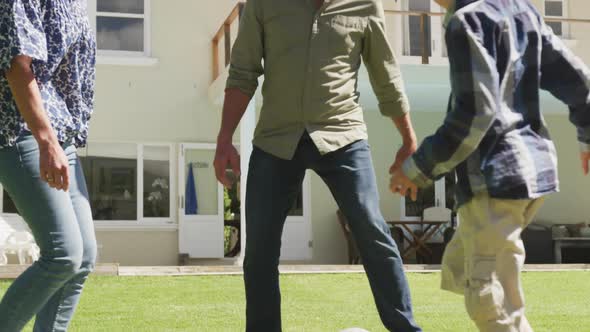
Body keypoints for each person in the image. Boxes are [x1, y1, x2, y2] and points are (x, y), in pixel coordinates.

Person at [214, 0, 422, 331]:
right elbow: (243, 71)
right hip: (275, 139)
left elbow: (386, 73)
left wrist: (408, 140)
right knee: (259, 250)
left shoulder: (365, 5)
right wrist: (224, 139)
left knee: (371, 228)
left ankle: (405, 328)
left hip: (344, 135)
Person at [390, 0, 590, 331]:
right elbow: (578, 79)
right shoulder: (521, 10)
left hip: (495, 178)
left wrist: (416, 169)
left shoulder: (466, 22)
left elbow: (474, 117)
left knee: (490, 302)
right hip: (530, 174)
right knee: (467, 271)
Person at [0, 0, 97, 331]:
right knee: (63, 254)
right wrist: (46, 141)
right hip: (23, 130)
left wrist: (58, 138)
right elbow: (17, 62)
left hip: (60, 134)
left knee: (82, 259)